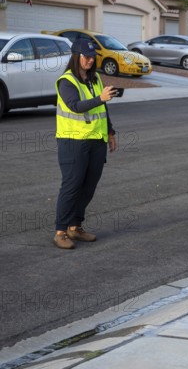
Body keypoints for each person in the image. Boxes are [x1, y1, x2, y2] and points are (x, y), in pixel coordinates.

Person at [53, 39, 119, 249]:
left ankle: (75, 227)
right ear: (76, 57)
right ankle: (60, 231)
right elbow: (75, 106)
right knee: (72, 187)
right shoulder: (67, 81)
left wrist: (110, 132)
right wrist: (100, 98)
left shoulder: (95, 78)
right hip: (73, 142)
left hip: (95, 141)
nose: (90, 61)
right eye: (86, 57)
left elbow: (103, 109)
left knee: (88, 187)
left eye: (92, 57)